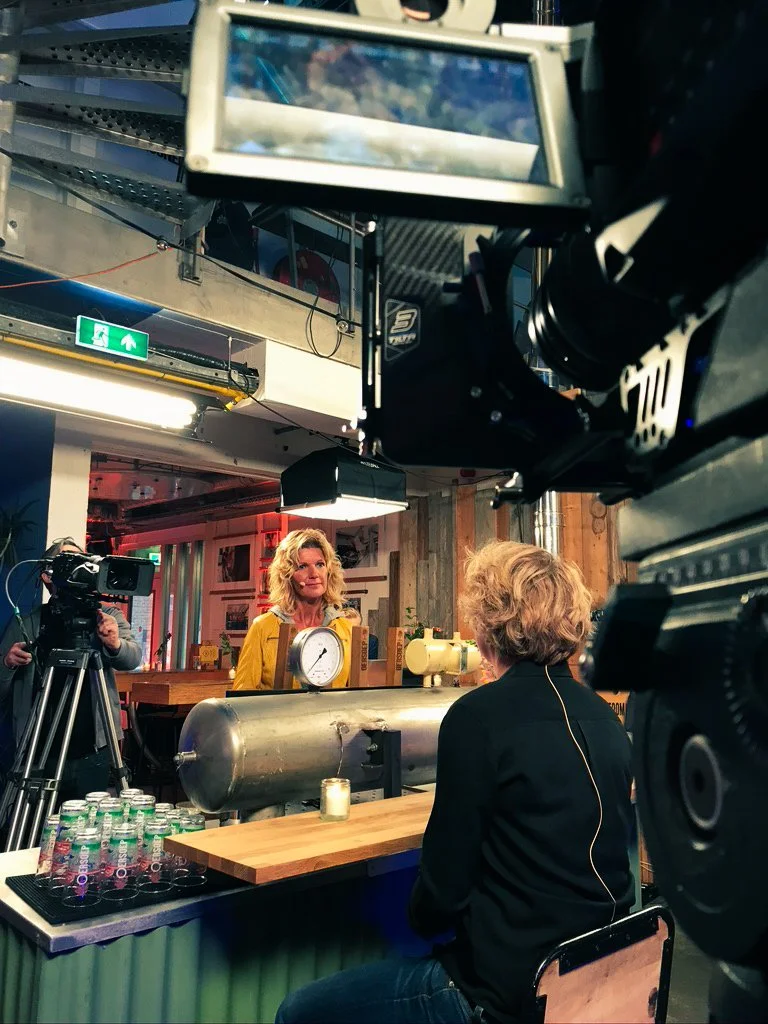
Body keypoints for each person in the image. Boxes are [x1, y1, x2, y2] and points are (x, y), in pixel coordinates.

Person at [276, 541, 634, 1024]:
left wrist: (409, 917)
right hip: (600, 984)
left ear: (488, 624)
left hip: (503, 993)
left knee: (300, 1011)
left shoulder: (477, 717)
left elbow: (440, 897)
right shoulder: (602, 717)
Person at [0, 538, 141, 804]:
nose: (81, 571)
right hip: (38, 750)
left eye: (85, 563)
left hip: (93, 749)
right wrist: (7, 664)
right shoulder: (28, 623)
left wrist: (114, 643)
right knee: (38, 828)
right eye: (71, 564)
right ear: (47, 575)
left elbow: (132, 658)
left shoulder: (108, 616)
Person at [233, 528, 352, 691]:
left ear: (329, 570)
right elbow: (242, 696)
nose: (314, 574)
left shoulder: (345, 629)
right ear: (287, 576)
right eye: (302, 566)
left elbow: (356, 696)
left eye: (320, 564)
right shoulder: (263, 628)